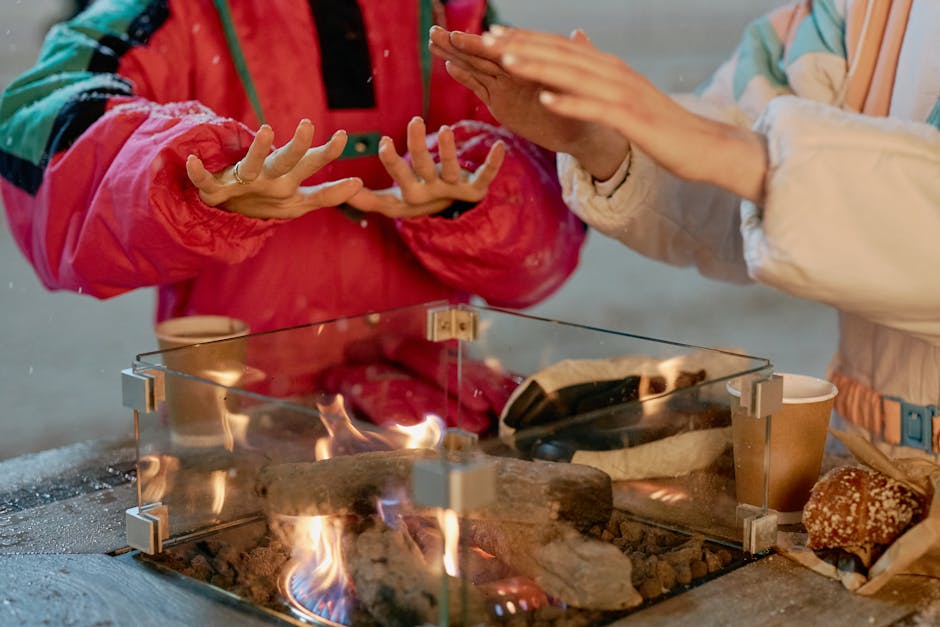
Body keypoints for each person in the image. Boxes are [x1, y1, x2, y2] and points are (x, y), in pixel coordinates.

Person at [430, 1, 940, 460]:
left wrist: (731, 151)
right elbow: (759, 208)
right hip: (864, 462)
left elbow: (752, 160)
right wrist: (604, 141)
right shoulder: (852, 9)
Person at [0, 1, 586, 336]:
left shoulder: (456, 15)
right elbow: (39, 130)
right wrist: (189, 180)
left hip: (434, 418)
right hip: (233, 428)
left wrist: (471, 204)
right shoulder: (161, 12)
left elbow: (555, 239)